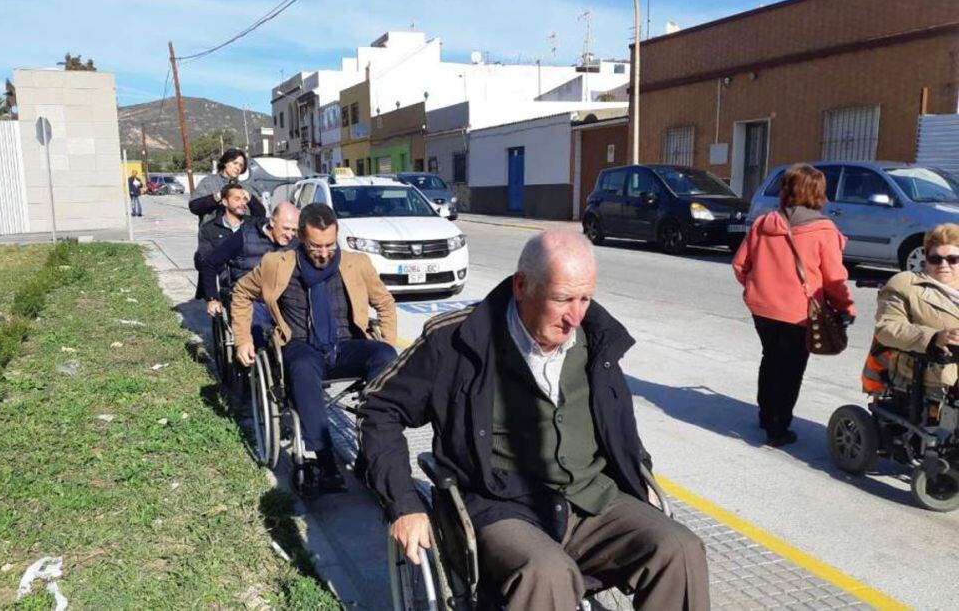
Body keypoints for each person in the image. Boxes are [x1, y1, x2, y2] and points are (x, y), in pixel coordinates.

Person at [359, 231, 709, 611]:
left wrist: (639, 467)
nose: (575, 317)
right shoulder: (456, 342)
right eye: (561, 299)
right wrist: (404, 502)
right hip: (501, 506)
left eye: (585, 299)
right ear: (522, 286)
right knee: (546, 573)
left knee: (681, 548)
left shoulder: (597, 340)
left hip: (590, 498)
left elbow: (618, 424)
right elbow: (379, 407)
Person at [232, 203, 398, 497]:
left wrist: (389, 338)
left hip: (346, 345)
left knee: (386, 357)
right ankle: (325, 463)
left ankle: (372, 450)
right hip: (301, 345)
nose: (323, 253)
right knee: (302, 368)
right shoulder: (276, 264)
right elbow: (242, 292)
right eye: (315, 246)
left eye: (329, 245)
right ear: (300, 237)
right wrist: (243, 338)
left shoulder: (356, 263)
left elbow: (384, 302)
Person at [733, 163, 856, 447]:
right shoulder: (824, 230)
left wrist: (758, 287)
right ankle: (778, 427)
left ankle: (766, 415)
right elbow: (834, 279)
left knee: (770, 358)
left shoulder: (764, 224)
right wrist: (846, 308)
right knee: (791, 369)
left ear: (786, 190)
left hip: (762, 308)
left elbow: (740, 265)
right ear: (818, 193)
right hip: (800, 312)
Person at [201, 201, 300, 348]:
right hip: (250, 297)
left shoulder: (295, 243)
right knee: (257, 328)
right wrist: (212, 298)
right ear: (272, 221)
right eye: (286, 228)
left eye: (294, 230)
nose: (290, 234)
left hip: (280, 298)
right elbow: (210, 263)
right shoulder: (244, 237)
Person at [874, 224, 959, 392]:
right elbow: (887, 329)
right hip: (933, 375)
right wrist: (934, 338)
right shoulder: (906, 284)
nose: (943, 264)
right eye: (935, 259)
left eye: (952, 259)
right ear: (925, 258)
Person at [188, 148, 266, 225]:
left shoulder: (246, 187)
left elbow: (261, 214)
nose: (238, 168)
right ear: (225, 163)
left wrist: (250, 199)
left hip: (239, 234)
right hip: (212, 234)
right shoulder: (209, 182)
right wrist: (216, 197)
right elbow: (194, 207)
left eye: (241, 165)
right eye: (235, 163)